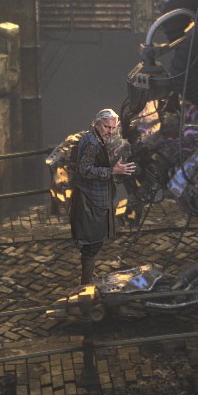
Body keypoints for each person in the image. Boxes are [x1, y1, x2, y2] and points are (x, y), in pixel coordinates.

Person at [71, 108, 133, 286]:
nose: (110, 132)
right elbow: (84, 170)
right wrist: (112, 170)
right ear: (98, 124)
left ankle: (88, 278)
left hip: (93, 198)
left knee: (93, 243)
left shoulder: (92, 137)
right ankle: (86, 284)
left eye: (113, 128)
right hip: (91, 200)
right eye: (107, 127)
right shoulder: (93, 144)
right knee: (92, 245)